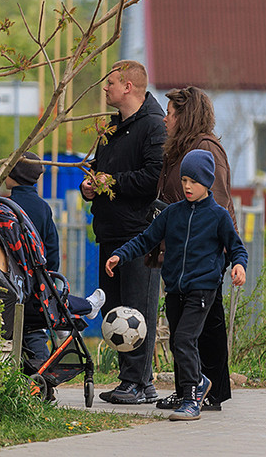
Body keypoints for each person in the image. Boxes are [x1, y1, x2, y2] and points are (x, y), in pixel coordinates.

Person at [105, 149, 248, 421]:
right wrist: (120, 255)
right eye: (184, 180)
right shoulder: (172, 213)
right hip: (175, 290)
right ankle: (199, 383)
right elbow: (145, 239)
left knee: (184, 339)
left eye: (193, 181)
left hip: (202, 289)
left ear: (207, 182)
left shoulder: (218, 216)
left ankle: (192, 399)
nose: (187, 186)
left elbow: (236, 248)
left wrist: (239, 265)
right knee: (177, 343)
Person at [79, 60, 166, 404]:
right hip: (110, 230)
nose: (105, 88)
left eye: (111, 82)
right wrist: (90, 185)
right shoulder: (112, 127)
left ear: (128, 87)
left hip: (140, 234)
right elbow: (100, 169)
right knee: (114, 310)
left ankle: (138, 382)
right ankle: (134, 380)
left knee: (137, 309)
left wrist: (110, 182)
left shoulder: (154, 125)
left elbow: (153, 178)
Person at [152, 86, 238, 412]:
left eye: (170, 113)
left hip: (204, 253)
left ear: (184, 116)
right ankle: (187, 389)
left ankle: (210, 391)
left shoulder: (205, 148)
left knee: (206, 325)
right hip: (182, 251)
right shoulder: (181, 148)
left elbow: (217, 202)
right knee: (181, 324)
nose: (165, 119)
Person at [3, 151, 105, 369]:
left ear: (15, 175)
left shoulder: (3, 207)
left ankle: (81, 308)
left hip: (7, 285)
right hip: (34, 288)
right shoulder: (41, 207)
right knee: (44, 312)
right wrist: (47, 276)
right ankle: (84, 308)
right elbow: (51, 250)